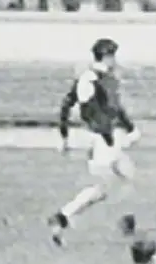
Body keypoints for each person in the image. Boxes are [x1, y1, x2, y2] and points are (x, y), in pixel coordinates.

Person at [48, 38, 141, 247]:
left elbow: (112, 108)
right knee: (103, 188)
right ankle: (63, 216)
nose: (115, 60)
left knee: (127, 176)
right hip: (102, 139)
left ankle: (127, 222)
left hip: (108, 137)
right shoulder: (91, 79)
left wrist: (130, 127)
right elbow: (90, 110)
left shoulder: (104, 78)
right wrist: (106, 133)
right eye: (112, 55)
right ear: (106, 56)